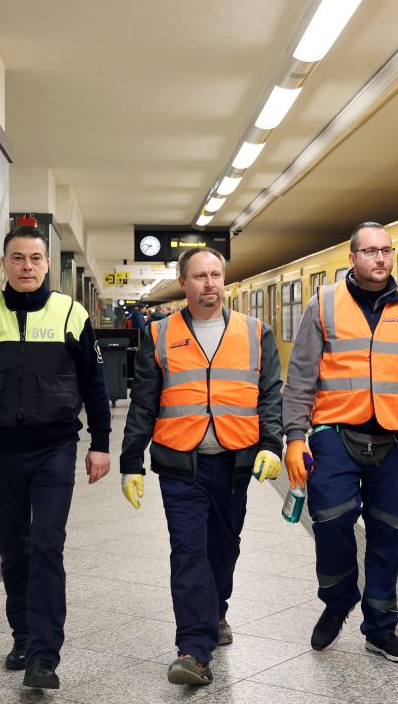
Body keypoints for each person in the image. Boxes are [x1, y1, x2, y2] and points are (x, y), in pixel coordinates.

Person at [0, 225, 112, 689]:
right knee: (14, 550)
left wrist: (101, 443)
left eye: (35, 258)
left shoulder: (71, 312)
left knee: (48, 545)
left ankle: (44, 657)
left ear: (47, 263)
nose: (27, 266)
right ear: (5, 264)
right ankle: (23, 635)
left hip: (54, 449)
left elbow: (94, 384)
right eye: (18, 258)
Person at [283, 221, 398, 663]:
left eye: (386, 251)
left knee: (388, 533)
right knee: (330, 520)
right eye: (371, 251)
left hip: (396, 441)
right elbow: (301, 376)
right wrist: (293, 437)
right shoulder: (322, 305)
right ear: (352, 258)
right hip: (335, 436)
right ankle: (339, 597)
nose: (380, 259)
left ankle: (381, 628)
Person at [120, 247, 283, 686]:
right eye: (199, 276)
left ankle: (217, 610)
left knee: (222, 549)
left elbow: (270, 394)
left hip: (234, 461)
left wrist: (273, 444)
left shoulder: (256, 332)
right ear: (183, 282)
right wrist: (130, 461)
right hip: (179, 463)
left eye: (216, 275)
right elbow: (144, 403)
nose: (209, 283)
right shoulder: (158, 334)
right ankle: (193, 649)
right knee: (188, 550)